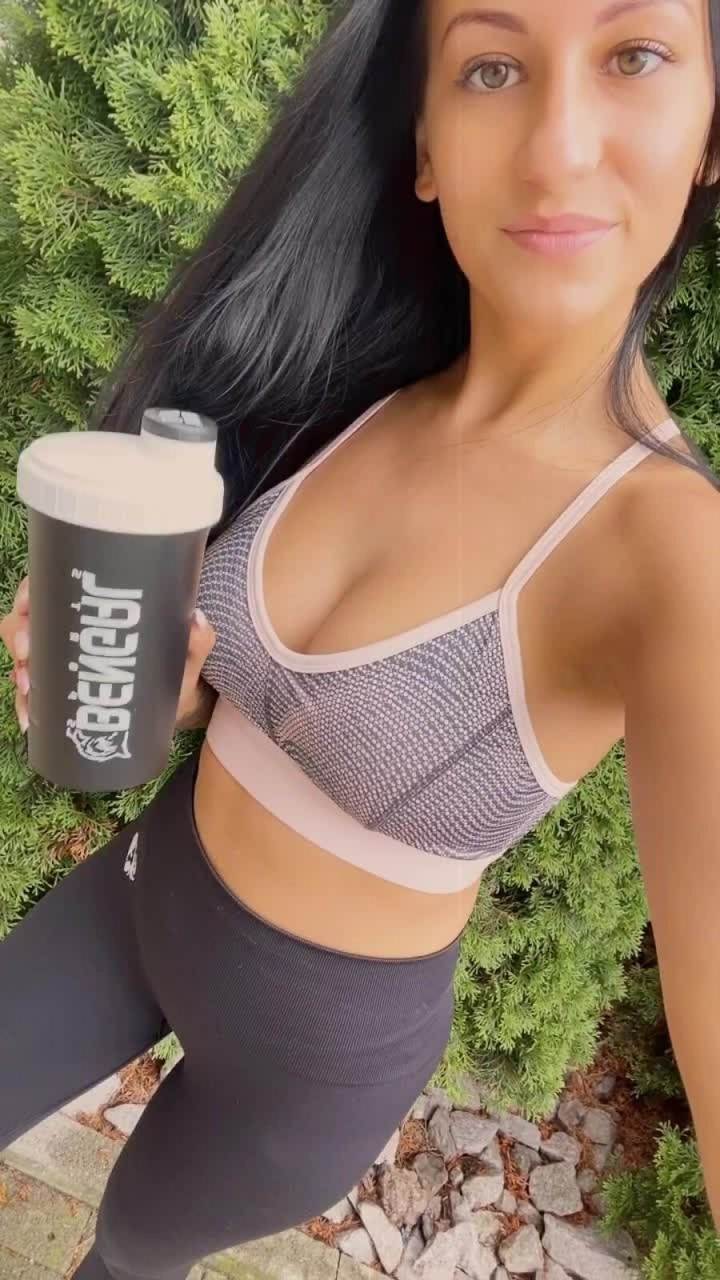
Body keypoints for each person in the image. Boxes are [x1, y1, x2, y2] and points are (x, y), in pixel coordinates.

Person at [1, 0, 720, 1274]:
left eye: (636, 54)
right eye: (490, 67)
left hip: (302, 1068)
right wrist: (165, 686)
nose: (559, 142)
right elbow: (258, 704)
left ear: (711, 131)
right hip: (144, 891)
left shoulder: (672, 556)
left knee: (123, 1252)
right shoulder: (355, 374)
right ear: (426, 143)